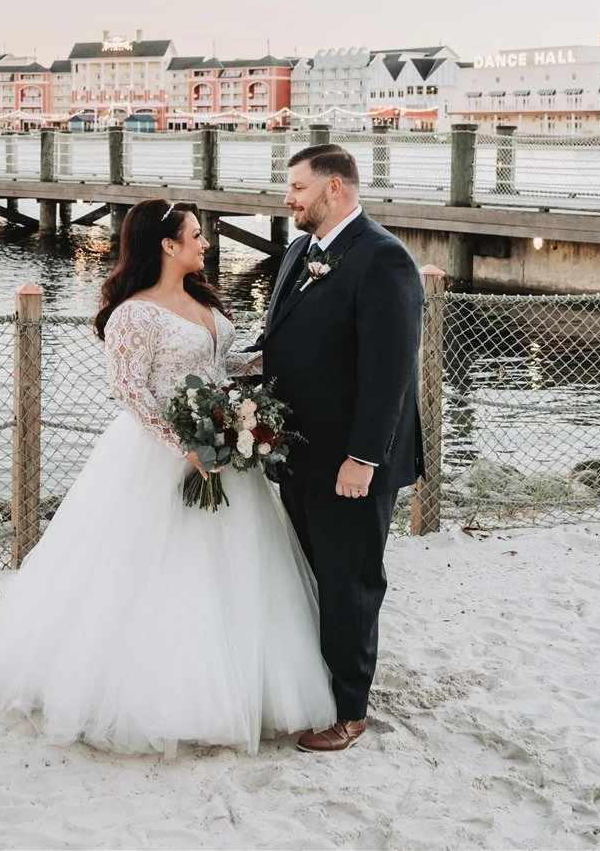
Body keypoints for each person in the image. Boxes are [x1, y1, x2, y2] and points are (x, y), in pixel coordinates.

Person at [0, 200, 335, 755]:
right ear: (168, 245)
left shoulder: (202, 301)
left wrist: (264, 374)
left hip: (223, 450)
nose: (205, 243)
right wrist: (185, 447)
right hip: (159, 456)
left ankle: (244, 683)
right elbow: (131, 392)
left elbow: (220, 366)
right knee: (150, 573)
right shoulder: (133, 314)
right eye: (196, 234)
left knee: (237, 570)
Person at [252, 143, 425, 752]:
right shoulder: (302, 250)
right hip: (296, 450)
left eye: (297, 187)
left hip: (351, 462)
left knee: (350, 581)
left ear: (335, 190)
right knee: (311, 574)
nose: (287, 198)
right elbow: (282, 338)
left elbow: (390, 374)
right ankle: (321, 683)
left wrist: (364, 459)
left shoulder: (384, 261)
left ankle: (351, 710)